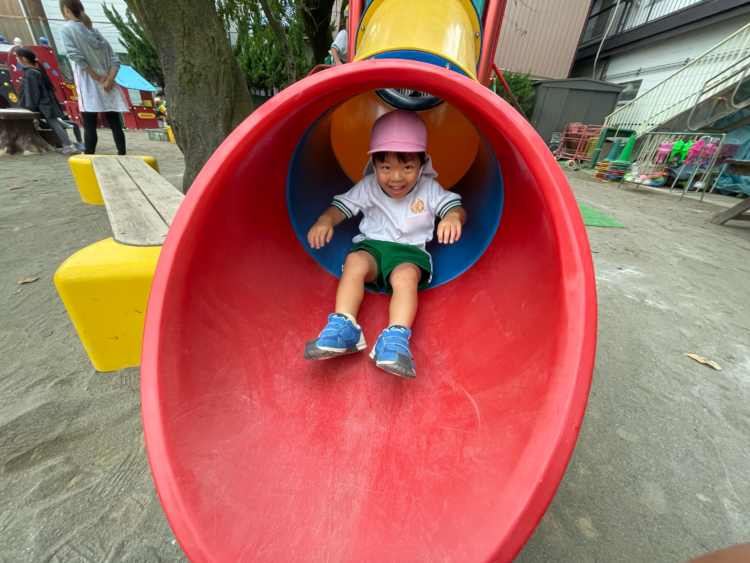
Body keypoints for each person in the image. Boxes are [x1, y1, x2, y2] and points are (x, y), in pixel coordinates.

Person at [303, 110, 467, 379]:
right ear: (374, 164)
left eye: (407, 167)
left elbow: (456, 207)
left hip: (409, 253)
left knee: (406, 277)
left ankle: (395, 339)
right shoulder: (368, 186)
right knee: (354, 262)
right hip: (372, 248)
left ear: (423, 163)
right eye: (386, 168)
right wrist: (324, 221)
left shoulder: (429, 188)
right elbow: (341, 208)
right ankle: (344, 326)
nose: (396, 178)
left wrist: (451, 217)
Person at [58, 0, 129, 155]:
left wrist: (100, 79)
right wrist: (108, 80)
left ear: (65, 9)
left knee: (89, 125)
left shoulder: (67, 30)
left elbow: (77, 58)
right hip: (108, 83)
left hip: (88, 82)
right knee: (115, 123)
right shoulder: (97, 33)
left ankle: (89, 156)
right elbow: (115, 61)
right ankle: (122, 155)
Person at [14, 47, 80, 154]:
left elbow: (33, 92)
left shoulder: (31, 73)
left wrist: (30, 106)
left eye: (17, 56)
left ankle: (68, 145)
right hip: (46, 104)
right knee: (54, 123)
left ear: (24, 59)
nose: (16, 59)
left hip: (44, 105)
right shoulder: (35, 72)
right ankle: (67, 144)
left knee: (54, 123)